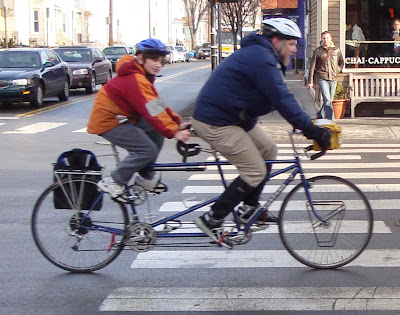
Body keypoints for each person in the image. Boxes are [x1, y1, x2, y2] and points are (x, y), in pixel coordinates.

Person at [191, 18, 331, 248]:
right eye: (292, 43)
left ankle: (249, 208)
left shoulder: (263, 55)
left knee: (268, 149)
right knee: (254, 170)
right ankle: (213, 218)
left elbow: (278, 97)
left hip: (235, 117)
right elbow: (282, 97)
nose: (295, 48)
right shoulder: (261, 58)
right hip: (215, 120)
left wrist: (307, 124)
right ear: (276, 41)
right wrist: (309, 128)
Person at [87, 38, 191, 200]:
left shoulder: (142, 76)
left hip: (122, 118)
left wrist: (176, 124)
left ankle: (145, 178)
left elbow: (158, 104)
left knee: (156, 132)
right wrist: (173, 132)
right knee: (146, 150)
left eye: (161, 61)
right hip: (108, 121)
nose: (158, 65)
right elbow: (151, 109)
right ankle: (114, 181)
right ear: (141, 58)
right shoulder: (135, 79)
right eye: (154, 60)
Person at [307, 31, 344, 120]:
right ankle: (331, 120)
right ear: (321, 39)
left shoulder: (336, 50)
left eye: (327, 38)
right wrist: (310, 81)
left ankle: (320, 114)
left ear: (331, 38)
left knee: (329, 100)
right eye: (324, 38)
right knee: (327, 99)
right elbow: (312, 67)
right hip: (322, 77)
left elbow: (341, 63)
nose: (326, 40)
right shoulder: (318, 51)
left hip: (333, 77)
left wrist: (337, 70)